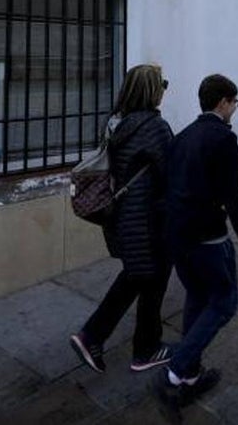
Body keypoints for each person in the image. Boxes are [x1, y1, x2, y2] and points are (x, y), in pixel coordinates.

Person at [151, 74, 238, 420]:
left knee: (197, 296)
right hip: (208, 236)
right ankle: (172, 373)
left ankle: (190, 375)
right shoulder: (223, 138)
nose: (234, 110)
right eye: (234, 103)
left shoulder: (182, 136)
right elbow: (233, 193)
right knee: (225, 302)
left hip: (177, 236)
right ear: (222, 102)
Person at [70, 64, 175, 375]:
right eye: (162, 85)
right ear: (152, 90)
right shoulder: (155, 128)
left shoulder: (118, 124)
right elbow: (171, 174)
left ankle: (96, 337)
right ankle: (141, 348)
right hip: (150, 220)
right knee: (151, 280)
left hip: (125, 217)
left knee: (136, 276)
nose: (164, 91)